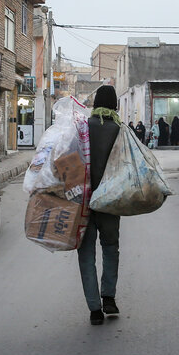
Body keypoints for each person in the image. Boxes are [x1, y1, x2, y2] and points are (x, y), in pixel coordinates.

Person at [80, 85, 122, 326]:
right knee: (110, 248)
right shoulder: (119, 129)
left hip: (83, 203)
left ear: (95, 104)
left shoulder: (83, 128)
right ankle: (109, 298)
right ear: (115, 104)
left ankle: (94, 309)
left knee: (86, 254)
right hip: (110, 201)